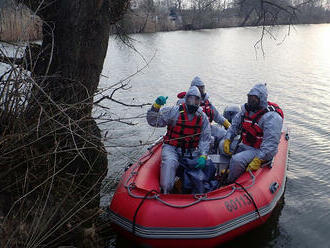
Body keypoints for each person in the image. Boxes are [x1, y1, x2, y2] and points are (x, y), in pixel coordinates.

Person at [147, 86, 212, 194]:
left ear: (200, 101)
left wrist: (203, 155)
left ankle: (196, 191)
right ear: (186, 99)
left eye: (196, 100)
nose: (193, 102)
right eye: (191, 99)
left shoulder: (202, 117)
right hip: (171, 148)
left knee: (208, 166)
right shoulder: (173, 111)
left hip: (191, 151)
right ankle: (166, 192)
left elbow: (205, 138)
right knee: (169, 165)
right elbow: (154, 121)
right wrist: (156, 107)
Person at [222, 83, 284, 184]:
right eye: (249, 97)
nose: (251, 100)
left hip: (259, 149)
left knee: (237, 160)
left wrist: (259, 158)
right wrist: (228, 139)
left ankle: (229, 181)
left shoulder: (271, 117)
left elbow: (271, 144)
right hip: (245, 144)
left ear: (261, 99)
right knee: (221, 146)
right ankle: (233, 169)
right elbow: (234, 126)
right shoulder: (245, 111)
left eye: (254, 98)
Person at [177, 76, 231, 145]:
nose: (201, 90)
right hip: (192, 129)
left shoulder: (206, 102)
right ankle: (206, 153)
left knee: (225, 134)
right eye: (199, 88)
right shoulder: (185, 102)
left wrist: (227, 124)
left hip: (207, 128)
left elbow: (217, 116)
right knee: (210, 140)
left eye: (202, 87)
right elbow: (178, 116)